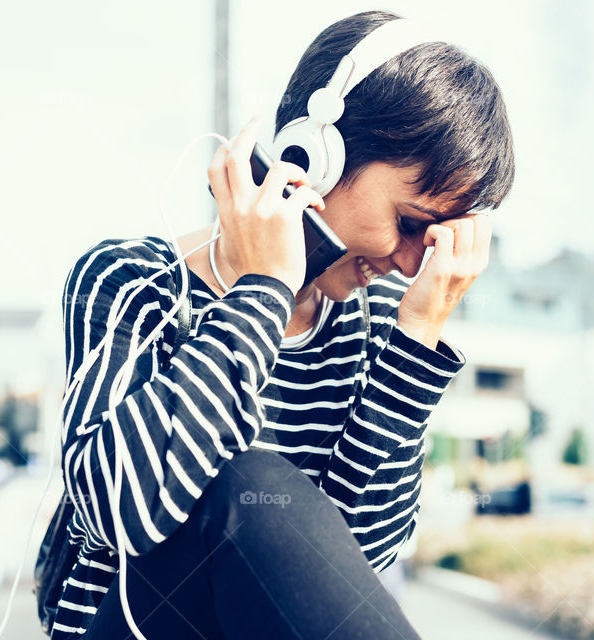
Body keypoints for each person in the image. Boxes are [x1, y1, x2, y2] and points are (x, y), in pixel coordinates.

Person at [52, 9, 514, 640]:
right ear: (313, 158)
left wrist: (416, 340)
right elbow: (117, 512)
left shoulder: (377, 325)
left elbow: (347, 575)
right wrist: (262, 293)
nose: (411, 264)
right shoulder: (131, 279)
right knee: (251, 482)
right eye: (409, 224)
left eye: (432, 240)